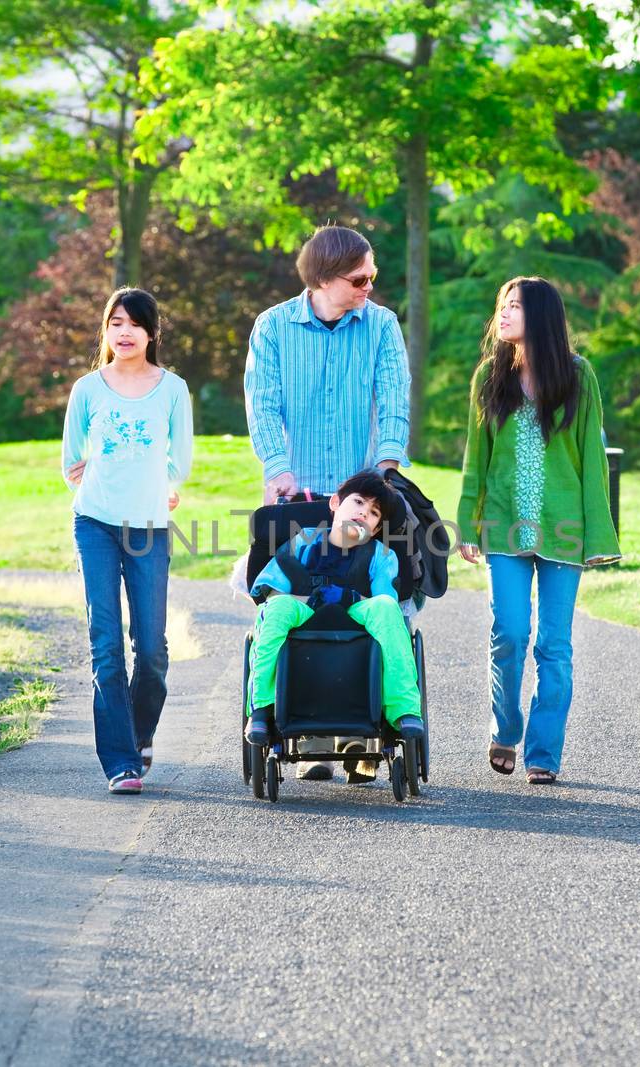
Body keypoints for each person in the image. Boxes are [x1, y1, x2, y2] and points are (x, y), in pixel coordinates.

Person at [245, 224, 412, 780]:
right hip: (300, 488)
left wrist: (387, 465)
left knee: (382, 595)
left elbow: (392, 396)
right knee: (301, 599)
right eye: (359, 278)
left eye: (373, 276)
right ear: (322, 278)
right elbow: (263, 403)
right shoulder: (272, 328)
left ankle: (363, 733)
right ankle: (309, 724)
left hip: (365, 489)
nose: (370, 286)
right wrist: (278, 469)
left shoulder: (382, 325)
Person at [454, 277, 620, 786]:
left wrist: (599, 536)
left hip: (565, 528)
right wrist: (467, 521)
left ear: (542, 316)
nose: (502, 315)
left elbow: (593, 458)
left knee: (554, 645)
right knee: (509, 632)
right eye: (502, 306)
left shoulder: (578, 375)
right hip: (503, 526)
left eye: (515, 307)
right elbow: (475, 457)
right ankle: (505, 728)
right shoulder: (490, 376)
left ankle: (543, 751)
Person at [61, 287, 193, 795]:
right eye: (115, 322)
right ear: (106, 331)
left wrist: (161, 486)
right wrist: (100, 470)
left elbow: (178, 461)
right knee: (106, 646)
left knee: (153, 649)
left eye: (134, 323)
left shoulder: (173, 389)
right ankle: (120, 762)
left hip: (150, 529)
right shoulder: (87, 389)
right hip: (94, 523)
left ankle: (138, 736)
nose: (124, 331)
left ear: (152, 332)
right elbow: (72, 464)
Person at [244, 471, 425, 774]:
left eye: (373, 513)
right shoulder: (302, 542)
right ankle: (262, 708)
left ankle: (403, 709)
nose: (362, 514)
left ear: (377, 527)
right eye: (358, 503)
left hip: (357, 617)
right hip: (304, 613)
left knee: (385, 609)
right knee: (275, 609)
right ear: (335, 503)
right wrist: (308, 599)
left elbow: (386, 603)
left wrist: (349, 599)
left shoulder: (381, 555)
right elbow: (271, 589)